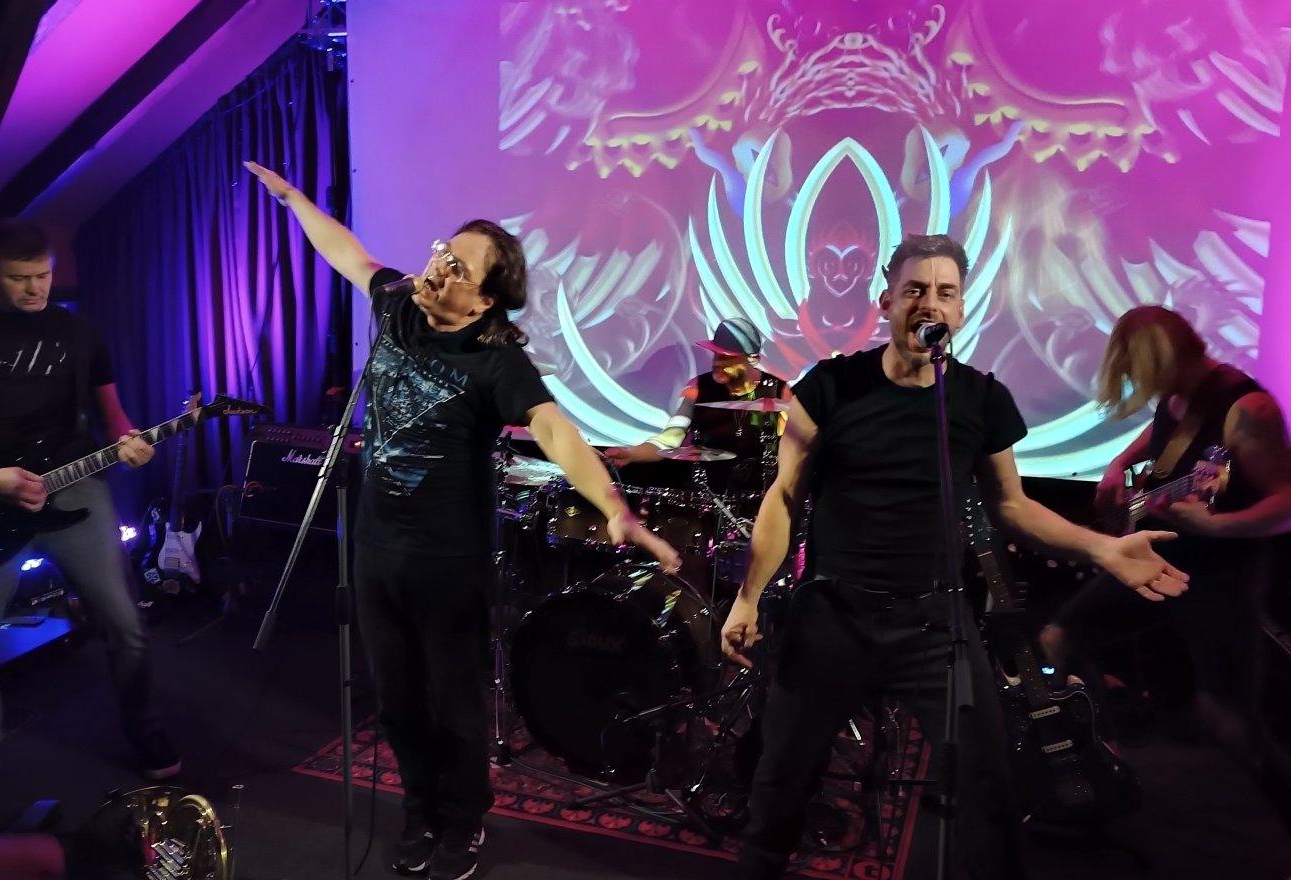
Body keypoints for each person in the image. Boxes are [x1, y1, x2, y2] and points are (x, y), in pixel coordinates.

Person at [244, 161, 682, 880]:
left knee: (453, 703)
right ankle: (420, 808)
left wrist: (613, 507)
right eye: (441, 253)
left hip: (449, 561)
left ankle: (464, 815)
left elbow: (554, 429)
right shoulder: (398, 306)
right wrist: (294, 200)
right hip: (376, 548)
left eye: (456, 267)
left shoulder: (498, 359)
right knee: (396, 701)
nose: (437, 268)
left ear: (485, 299)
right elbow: (349, 254)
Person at [718, 234, 1191, 880]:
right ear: (886, 301)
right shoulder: (829, 386)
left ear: (962, 310)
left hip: (935, 623)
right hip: (832, 614)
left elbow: (1012, 507)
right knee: (779, 783)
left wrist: (1103, 547)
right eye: (914, 289)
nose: (929, 303)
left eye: (945, 292)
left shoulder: (980, 400)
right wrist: (748, 597)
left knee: (988, 788)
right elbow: (784, 497)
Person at [1040, 305, 1291, 782]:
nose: (1147, 389)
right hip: (1159, 560)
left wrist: (1219, 525)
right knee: (1057, 640)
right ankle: (1096, 763)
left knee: (1226, 719)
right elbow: (1168, 427)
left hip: (1222, 575)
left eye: (1146, 377)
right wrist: (1119, 463)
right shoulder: (1181, 394)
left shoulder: (1249, 411)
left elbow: (1286, 502)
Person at [0, 218, 180, 785]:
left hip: (73, 485)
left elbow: (112, 416)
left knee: (124, 622)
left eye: (42, 275)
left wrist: (130, 442)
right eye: (19, 278)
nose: (35, 288)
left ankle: (145, 729)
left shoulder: (78, 333)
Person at [604, 317, 791, 493]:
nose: (717, 363)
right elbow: (669, 439)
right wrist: (631, 453)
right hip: (707, 495)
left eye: (726, 357)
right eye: (716, 355)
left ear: (753, 359)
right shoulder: (697, 387)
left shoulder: (779, 392)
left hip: (760, 496)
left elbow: (794, 452)